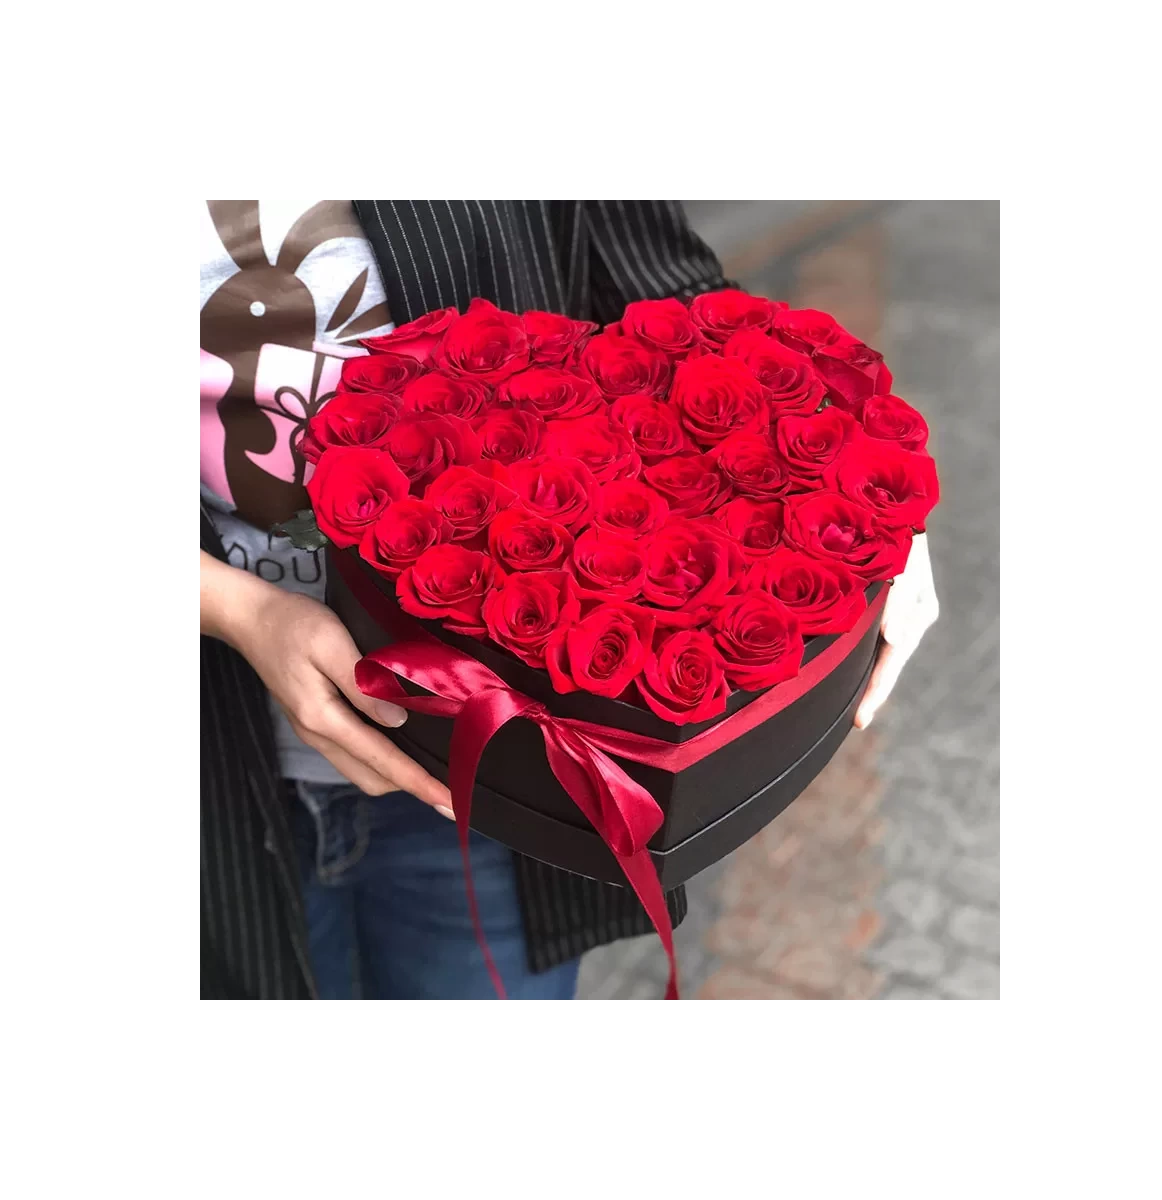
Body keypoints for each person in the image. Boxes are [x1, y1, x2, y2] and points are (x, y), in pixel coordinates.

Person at [199, 200, 937, 1000]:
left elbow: (661, 288)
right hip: (217, 758)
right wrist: (236, 609)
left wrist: (862, 498)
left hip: (498, 776)